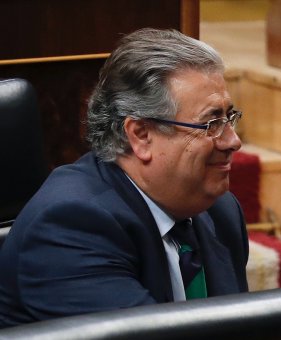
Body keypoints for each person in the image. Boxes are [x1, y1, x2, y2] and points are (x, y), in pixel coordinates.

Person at [0, 28, 249, 328]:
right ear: (141, 136)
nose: (233, 141)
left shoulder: (220, 211)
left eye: (229, 118)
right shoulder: (70, 228)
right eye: (211, 123)